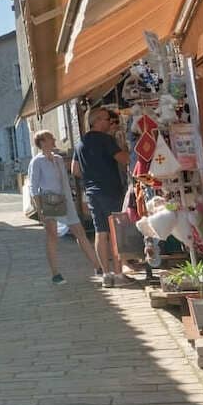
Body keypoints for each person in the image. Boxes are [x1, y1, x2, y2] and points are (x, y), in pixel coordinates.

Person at [29, 131, 103, 285]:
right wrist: (40, 209)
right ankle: (56, 274)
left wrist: (75, 202)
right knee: (53, 237)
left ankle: (98, 267)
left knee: (80, 233)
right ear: (42, 142)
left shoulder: (58, 159)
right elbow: (33, 187)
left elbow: (65, 183)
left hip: (65, 200)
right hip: (48, 200)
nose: (54, 140)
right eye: (51, 138)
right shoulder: (37, 162)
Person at [72, 106, 130, 287]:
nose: (109, 122)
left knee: (100, 232)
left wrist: (92, 175)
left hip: (91, 192)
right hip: (110, 190)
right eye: (106, 119)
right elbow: (124, 159)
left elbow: (75, 170)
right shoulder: (106, 140)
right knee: (115, 232)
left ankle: (106, 274)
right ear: (96, 121)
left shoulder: (80, 143)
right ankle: (119, 275)